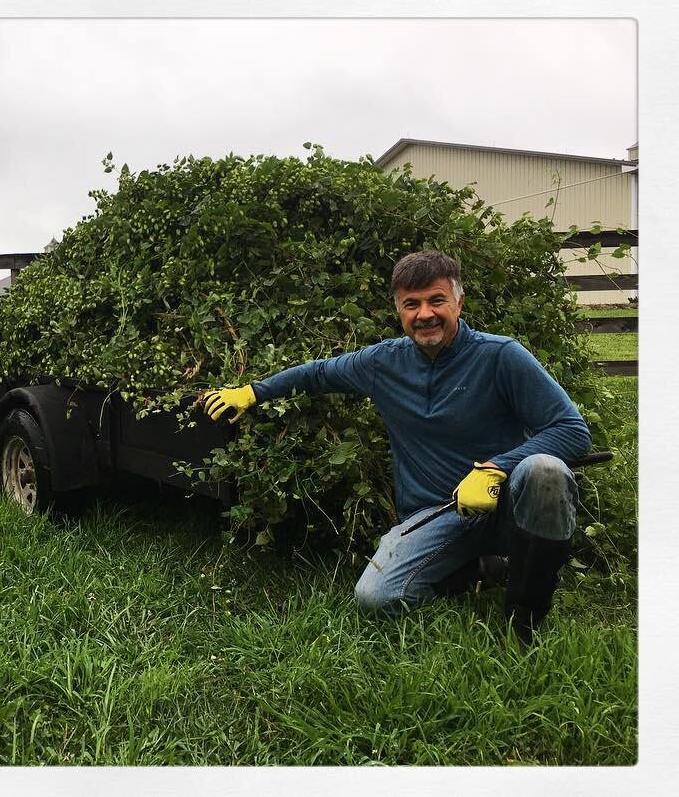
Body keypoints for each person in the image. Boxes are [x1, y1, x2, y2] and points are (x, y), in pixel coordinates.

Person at [202, 250, 592, 644]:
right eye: (412, 304)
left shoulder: (501, 356)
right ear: (399, 311)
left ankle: (524, 621)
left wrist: (497, 467)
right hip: (439, 513)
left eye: (436, 300)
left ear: (459, 302)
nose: (425, 314)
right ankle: (482, 569)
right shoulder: (383, 363)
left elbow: (572, 429)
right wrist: (253, 392)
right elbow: (317, 374)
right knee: (376, 597)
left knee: (546, 471)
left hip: (506, 507)